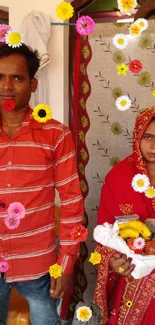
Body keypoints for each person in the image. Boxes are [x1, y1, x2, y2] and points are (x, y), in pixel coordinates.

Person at [0, 41, 84, 325]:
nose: (7, 86)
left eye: (18, 78)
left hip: (38, 263)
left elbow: (72, 202)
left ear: (33, 85)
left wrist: (66, 263)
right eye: (0, 77)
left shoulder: (55, 135)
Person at [94, 107, 155, 325]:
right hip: (134, 276)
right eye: (148, 137)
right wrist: (112, 261)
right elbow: (105, 232)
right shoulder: (119, 177)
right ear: (138, 135)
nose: (153, 146)